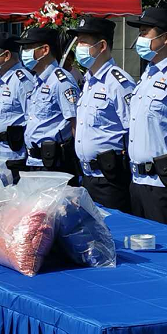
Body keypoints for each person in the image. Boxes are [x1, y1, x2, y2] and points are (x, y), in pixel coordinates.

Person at [126, 7, 167, 226]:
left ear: (166, 38)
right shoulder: (149, 72)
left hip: (164, 184)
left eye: (145, 32)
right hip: (138, 181)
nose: (140, 39)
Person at [68, 17, 135, 212]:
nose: (78, 48)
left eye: (83, 42)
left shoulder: (118, 82)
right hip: (88, 176)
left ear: (102, 46)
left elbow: (132, 129)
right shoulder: (88, 81)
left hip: (110, 178)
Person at [14, 27, 79, 176]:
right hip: (35, 162)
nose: (24, 52)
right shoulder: (37, 80)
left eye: (29, 47)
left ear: (45, 50)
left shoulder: (61, 81)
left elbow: (75, 122)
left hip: (54, 164)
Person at [0, 32, 35, 181]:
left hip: (12, 157)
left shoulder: (22, 80)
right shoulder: (3, 80)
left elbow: (31, 117)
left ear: (6, 55)